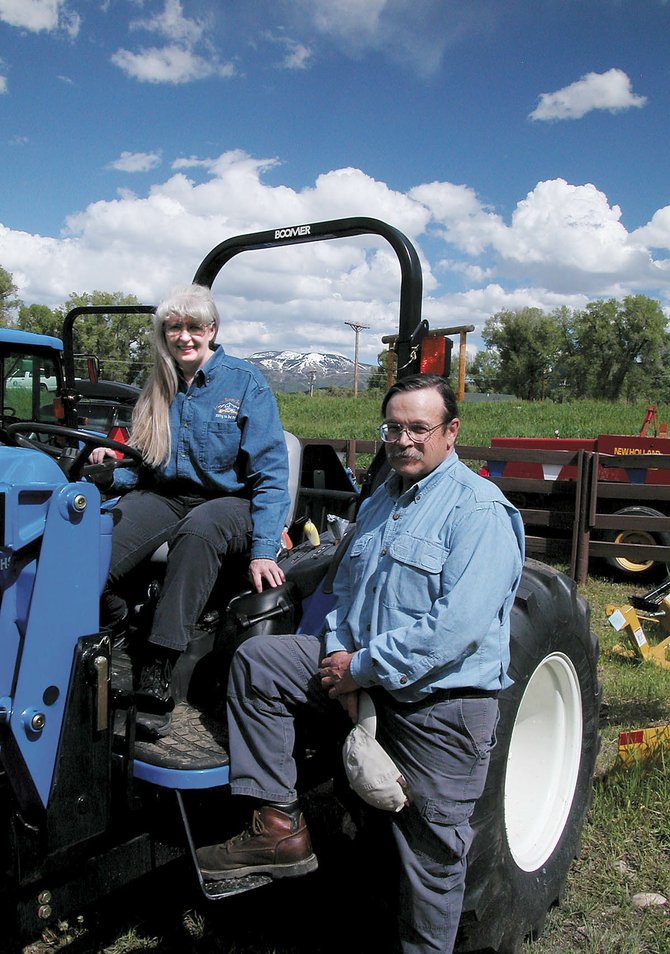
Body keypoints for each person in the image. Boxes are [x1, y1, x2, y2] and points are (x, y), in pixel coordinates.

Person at [196, 373, 525, 954]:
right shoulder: (381, 502)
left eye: (418, 428)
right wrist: (338, 659)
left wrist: (360, 669)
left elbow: (455, 628)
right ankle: (278, 823)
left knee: (431, 862)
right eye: (392, 428)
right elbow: (346, 591)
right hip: (361, 672)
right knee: (261, 662)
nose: (403, 440)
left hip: (438, 707)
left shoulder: (479, 510)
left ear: (451, 433)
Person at [90, 283, 290, 737]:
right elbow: (147, 464)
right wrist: (111, 473)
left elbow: (272, 476)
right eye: (173, 327)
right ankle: (120, 625)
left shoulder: (244, 383)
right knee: (94, 547)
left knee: (200, 530)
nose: (183, 336)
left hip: (231, 502)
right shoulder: (159, 384)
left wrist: (263, 550)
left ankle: (159, 666)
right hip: (166, 495)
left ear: (212, 329)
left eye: (193, 326)